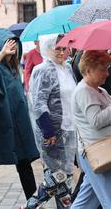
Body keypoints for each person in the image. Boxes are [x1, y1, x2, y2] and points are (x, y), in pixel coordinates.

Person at [0, 28, 39, 205]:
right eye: (7, 44)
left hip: (17, 126)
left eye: (14, 45)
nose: (12, 48)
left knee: (24, 163)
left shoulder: (14, 69)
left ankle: (33, 201)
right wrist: (1, 54)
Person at [71, 51, 111, 209]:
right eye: (102, 69)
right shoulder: (84, 92)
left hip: (99, 150)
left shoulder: (98, 90)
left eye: (107, 68)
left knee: (86, 201)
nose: (107, 73)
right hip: (98, 151)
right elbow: (96, 121)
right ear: (88, 70)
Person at [26, 34, 77, 209]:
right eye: (58, 48)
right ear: (48, 49)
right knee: (58, 177)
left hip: (69, 130)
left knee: (66, 177)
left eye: (64, 48)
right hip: (53, 133)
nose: (62, 52)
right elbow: (39, 102)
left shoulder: (68, 68)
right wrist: (48, 131)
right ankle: (30, 206)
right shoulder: (43, 70)